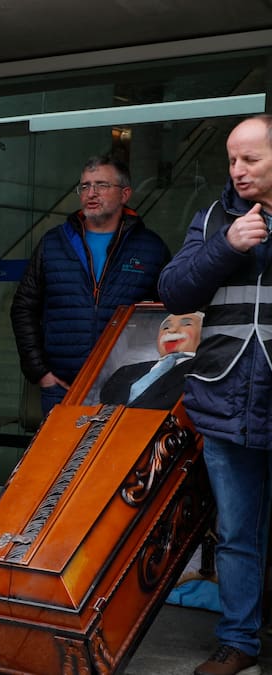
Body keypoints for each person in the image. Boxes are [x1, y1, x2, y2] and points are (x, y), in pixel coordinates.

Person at [158, 114, 272, 675]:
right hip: (226, 396)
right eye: (232, 159)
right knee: (235, 532)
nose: (237, 169)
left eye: (250, 158)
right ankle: (239, 641)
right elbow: (174, 290)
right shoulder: (212, 218)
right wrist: (226, 245)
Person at [11, 156, 170, 415]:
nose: (91, 193)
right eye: (84, 186)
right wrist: (40, 372)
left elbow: (168, 316)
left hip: (128, 389)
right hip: (62, 389)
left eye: (101, 185)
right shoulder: (54, 243)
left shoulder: (151, 248)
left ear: (125, 194)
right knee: (57, 457)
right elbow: (23, 308)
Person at [99, 312, 201, 409]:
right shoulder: (125, 372)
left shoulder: (203, 372)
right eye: (166, 327)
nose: (172, 330)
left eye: (186, 324)